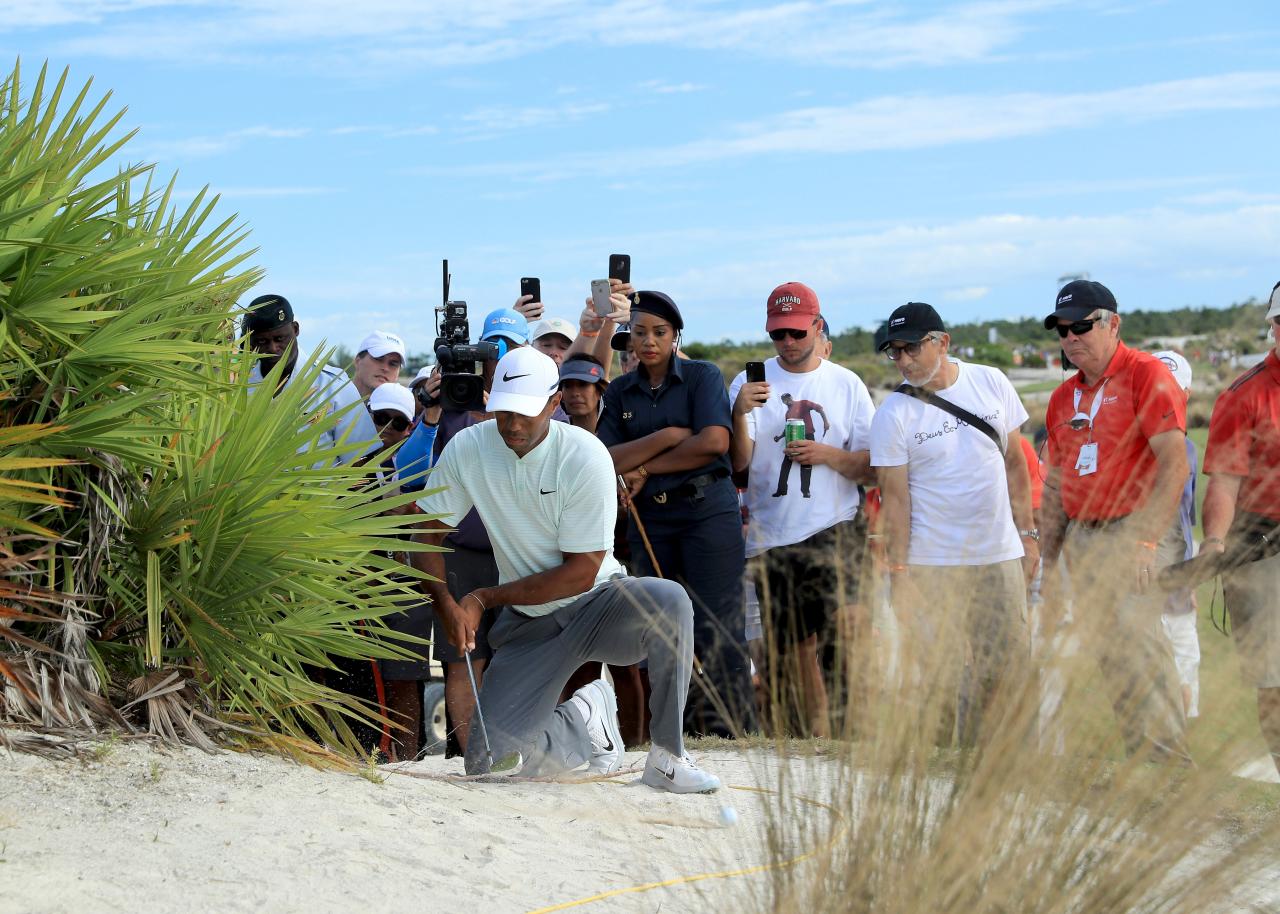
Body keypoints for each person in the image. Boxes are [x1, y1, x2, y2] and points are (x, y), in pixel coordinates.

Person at [411, 347, 720, 792]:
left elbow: (580, 573)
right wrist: (445, 604)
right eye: (503, 412)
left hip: (597, 603)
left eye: (526, 412)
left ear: (554, 405)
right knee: (486, 765)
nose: (513, 425)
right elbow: (425, 531)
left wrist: (483, 598)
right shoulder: (468, 448)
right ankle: (585, 719)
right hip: (530, 625)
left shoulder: (585, 454)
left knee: (670, 600)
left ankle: (668, 757)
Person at [869, 302, 1036, 746]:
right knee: (940, 678)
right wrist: (899, 573)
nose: (903, 360)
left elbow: (1017, 465)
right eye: (894, 352)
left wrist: (1029, 534)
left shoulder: (991, 382)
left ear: (942, 342)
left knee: (1008, 672)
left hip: (999, 554)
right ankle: (943, 775)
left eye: (910, 349)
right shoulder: (892, 414)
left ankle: (1005, 769)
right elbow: (896, 500)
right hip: (932, 564)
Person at [1039, 280, 1189, 760]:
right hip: (1083, 533)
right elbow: (1057, 485)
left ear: (1113, 323)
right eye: (1062, 330)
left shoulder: (1146, 374)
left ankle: (1169, 764)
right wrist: (1048, 562)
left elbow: (1176, 463)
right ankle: (1141, 758)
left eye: (1082, 325)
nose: (1070, 338)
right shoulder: (1063, 398)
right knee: (1108, 647)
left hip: (1135, 525)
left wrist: (1146, 543)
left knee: (1137, 639)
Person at [598, 291, 755, 737]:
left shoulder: (702, 376)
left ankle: (734, 731)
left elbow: (714, 444)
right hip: (654, 520)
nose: (648, 342)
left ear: (674, 336)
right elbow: (606, 455)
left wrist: (645, 465)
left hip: (708, 513)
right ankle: (679, 732)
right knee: (664, 628)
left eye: (659, 333)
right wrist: (668, 434)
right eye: (640, 332)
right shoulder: (621, 390)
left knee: (718, 623)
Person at [728, 283, 873, 737]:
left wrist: (826, 454)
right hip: (772, 534)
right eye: (778, 335)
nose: (787, 343)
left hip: (835, 524)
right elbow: (739, 465)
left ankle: (853, 736)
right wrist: (738, 413)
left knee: (846, 634)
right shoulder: (748, 383)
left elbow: (872, 467)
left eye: (795, 332)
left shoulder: (846, 383)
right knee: (793, 650)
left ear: (817, 325)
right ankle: (814, 741)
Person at [1201, 282, 1280, 772]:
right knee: (1273, 677)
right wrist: (1213, 541)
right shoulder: (1243, 396)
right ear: (1274, 326)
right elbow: (1224, 484)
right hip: (1261, 545)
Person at [351, 381, 433, 760]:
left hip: (403, 583)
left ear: (410, 427)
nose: (385, 430)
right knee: (359, 678)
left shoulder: (419, 466)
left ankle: (407, 762)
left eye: (396, 423)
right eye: (378, 419)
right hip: (354, 585)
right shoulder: (345, 466)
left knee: (404, 676)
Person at [241, 293, 370, 464]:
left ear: (295, 329)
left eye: (280, 338)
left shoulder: (333, 385)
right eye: (262, 342)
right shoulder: (240, 386)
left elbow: (362, 461)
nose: (273, 348)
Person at [1152, 350, 1200, 720]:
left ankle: (1180, 746)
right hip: (1146, 578)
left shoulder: (1189, 448)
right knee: (1164, 670)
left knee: (1187, 661)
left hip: (1179, 580)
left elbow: (1186, 520)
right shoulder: (1131, 447)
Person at [558, 353, 608, 434]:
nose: (575, 393)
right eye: (568, 386)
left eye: (583, 384)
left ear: (599, 391)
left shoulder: (618, 434)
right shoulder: (553, 435)